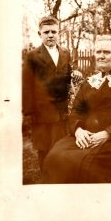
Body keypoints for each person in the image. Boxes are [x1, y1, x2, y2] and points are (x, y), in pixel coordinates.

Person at [42, 35, 111, 183]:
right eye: (98, 52)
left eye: (106, 52)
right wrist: (78, 130)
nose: (101, 56)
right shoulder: (89, 83)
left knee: (80, 162)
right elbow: (76, 112)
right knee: (55, 155)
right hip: (89, 137)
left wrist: (108, 133)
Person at [22, 15, 71, 171]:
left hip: (61, 110)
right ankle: (46, 177)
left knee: (60, 144)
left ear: (59, 33)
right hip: (41, 112)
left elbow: (67, 77)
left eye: (54, 32)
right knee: (43, 147)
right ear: (40, 34)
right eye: (46, 32)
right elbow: (27, 85)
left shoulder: (65, 53)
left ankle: (59, 176)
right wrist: (29, 113)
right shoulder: (32, 56)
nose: (50, 35)